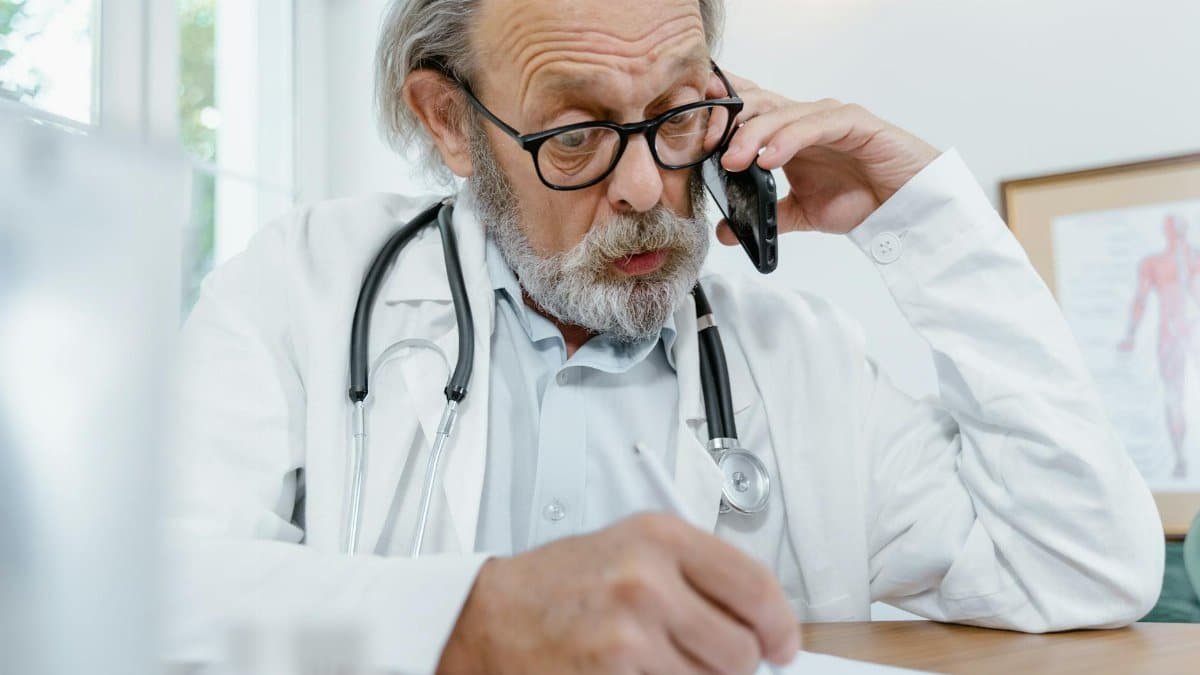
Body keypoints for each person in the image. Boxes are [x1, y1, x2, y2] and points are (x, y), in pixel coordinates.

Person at [165, 0, 1165, 673]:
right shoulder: (304, 288)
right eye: (576, 135)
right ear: (449, 121)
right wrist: (479, 617)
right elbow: (140, 591)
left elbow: (1078, 563)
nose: (646, 188)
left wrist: (921, 220)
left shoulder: (801, 359)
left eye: (679, 114)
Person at [1119, 214, 1199, 479]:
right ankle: (1180, 458)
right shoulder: (1154, 264)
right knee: (1174, 397)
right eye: (1171, 224)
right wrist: (1130, 334)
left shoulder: (1195, 259)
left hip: (1192, 331)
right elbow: (1140, 300)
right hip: (1170, 337)